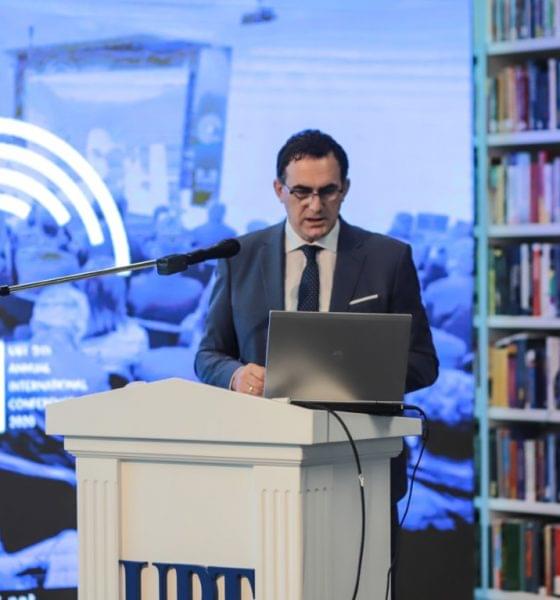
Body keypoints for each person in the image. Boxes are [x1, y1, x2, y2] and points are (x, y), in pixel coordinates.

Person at [194, 129, 438, 595]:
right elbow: (208, 356)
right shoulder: (240, 257)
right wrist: (237, 375)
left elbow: (424, 362)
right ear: (278, 190)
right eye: (301, 192)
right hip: (260, 464)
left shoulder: (388, 258)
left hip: (362, 468)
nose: (315, 205)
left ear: (345, 189)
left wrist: (361, 375)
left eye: (328, 191)